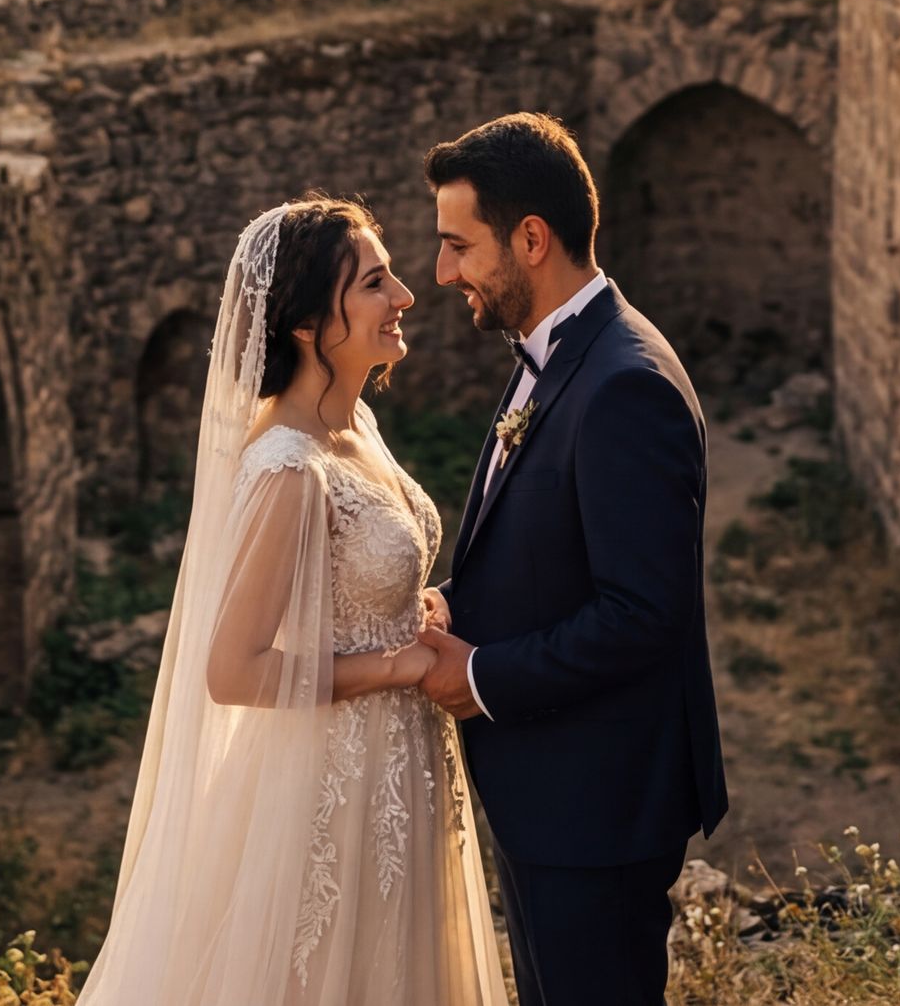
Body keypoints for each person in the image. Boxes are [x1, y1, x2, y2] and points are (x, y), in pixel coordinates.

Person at [74, 196, 510, 1006]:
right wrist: (397, 662)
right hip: (328, 790)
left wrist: (418, 609)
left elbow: (350, 588)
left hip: (400, 768)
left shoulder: (357, 424)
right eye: (377, 282)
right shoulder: (288, 466)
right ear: (311, 324)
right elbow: (233, 669)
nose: (406, 295)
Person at [415, 112, 729, 1006]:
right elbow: (552, 545)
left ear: (531, 238)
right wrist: (453, 601)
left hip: (595, 810)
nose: (443, 273)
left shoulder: (626, 381)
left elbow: (643, 613)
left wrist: (479, 674)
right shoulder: (552, 352)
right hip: (548, 792)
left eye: (457, 245)